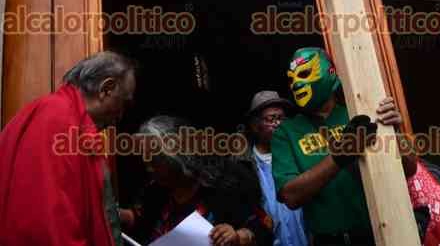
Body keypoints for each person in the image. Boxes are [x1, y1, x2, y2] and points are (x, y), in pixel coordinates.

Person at [271, 47, 417, 246]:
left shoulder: (360, 111)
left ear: (330, 72)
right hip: (329, 241)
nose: (297, 83)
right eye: (291, 79)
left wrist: (394, 131)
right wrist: (340, 156)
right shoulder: (286, 132)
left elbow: (409, 168)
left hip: (379, 234)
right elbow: (290, 196)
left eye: (304, 74)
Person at [0, 51, 137, 246]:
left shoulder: (66, 118)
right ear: (106, 89)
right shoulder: (57, 117)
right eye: (123, 103)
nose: (120, 115)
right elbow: (51, 225)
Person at [119, 116, 273, 246]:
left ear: (177, 157)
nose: (149, 169)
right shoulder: (155, 189)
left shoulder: (225, 186)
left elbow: (265, 224)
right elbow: (142, 218)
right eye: (145, 161)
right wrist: (119, 215)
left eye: (155, 161)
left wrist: (238, 236)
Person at [245, 90, 308, 246]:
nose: (278, 124)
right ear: (255, 125)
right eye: (271, 119)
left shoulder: (299, 156)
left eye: (282, 118)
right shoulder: (244, 166)